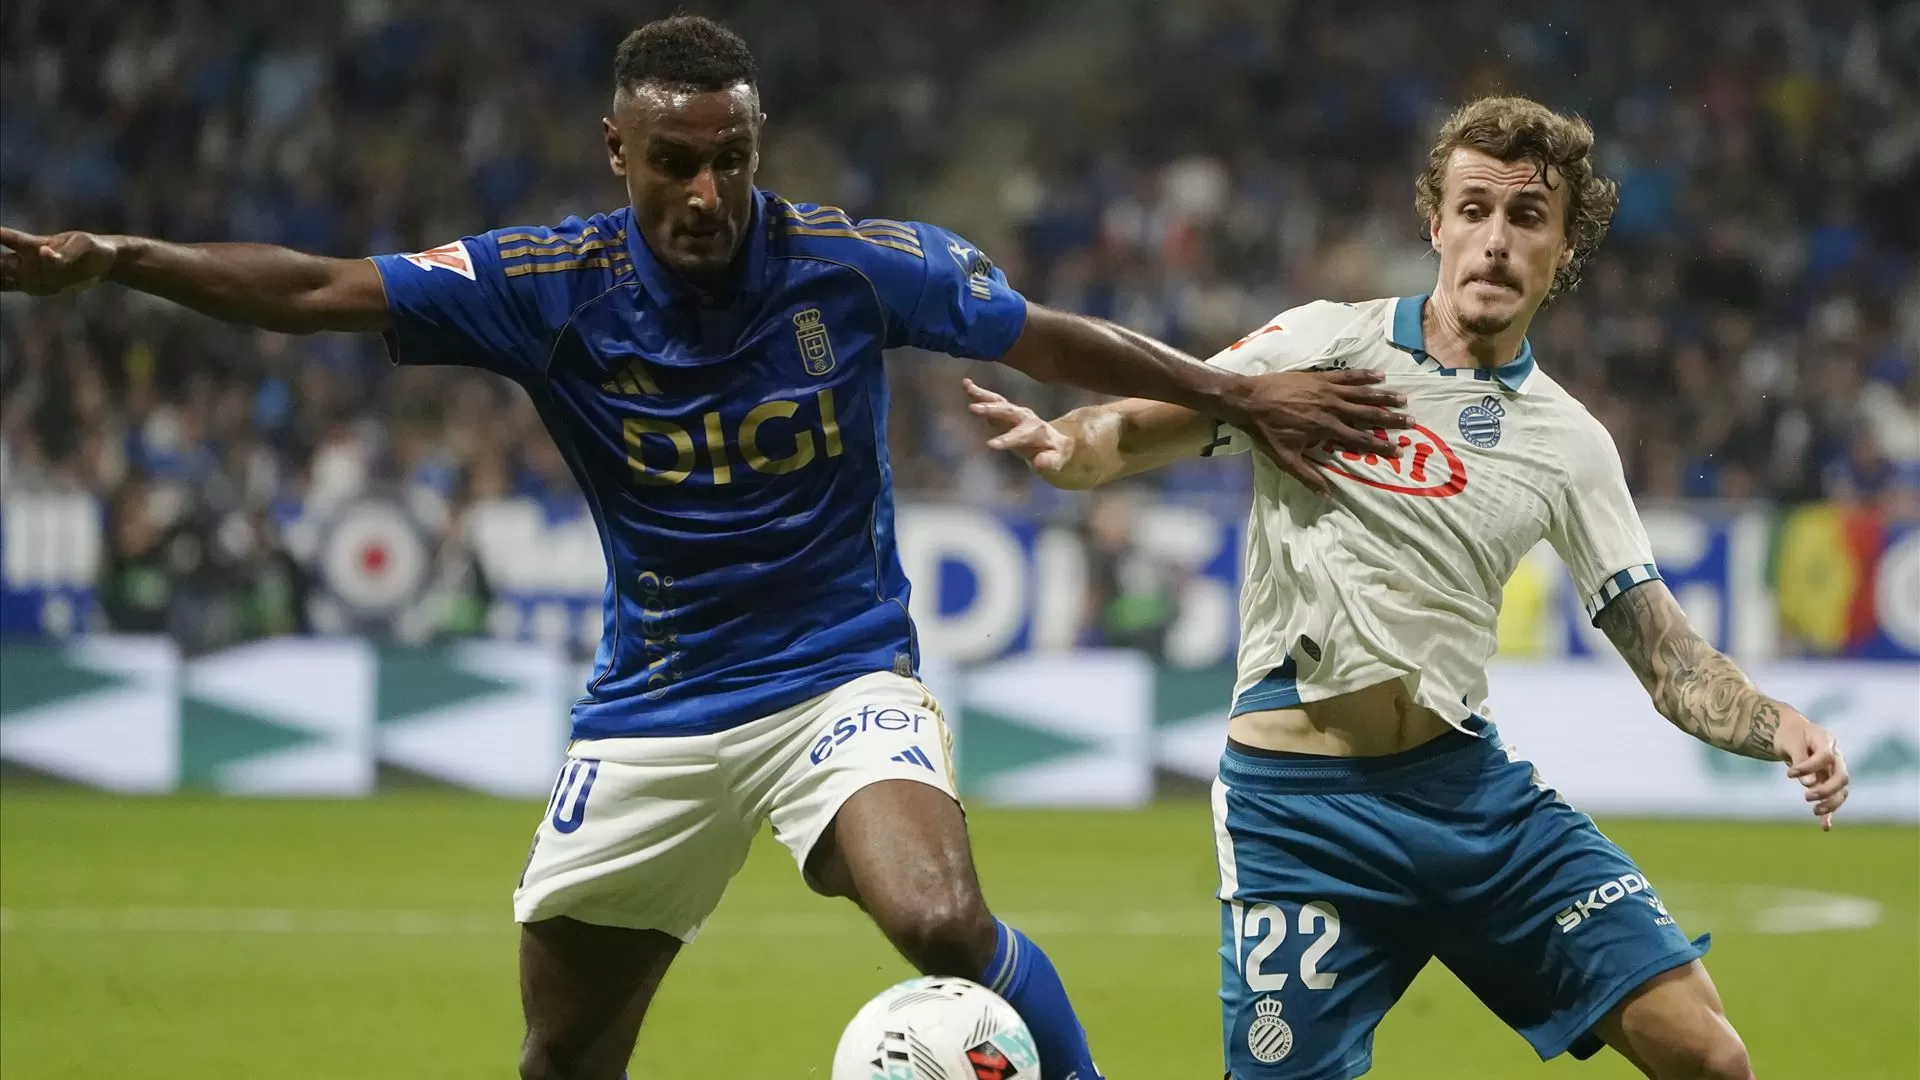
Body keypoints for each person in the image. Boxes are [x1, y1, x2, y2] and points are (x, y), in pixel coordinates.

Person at [0, 15, 1410, 1080]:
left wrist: (1233, 395)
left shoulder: (851, 263)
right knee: (565, 1056)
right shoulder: (542, 283)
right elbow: (316, 289)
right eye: (674, 163)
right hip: (656, 706)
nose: (705, 193)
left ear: (757, 148)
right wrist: (121, 259)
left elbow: (1042, 335)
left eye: (730, 161)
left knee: (939, 920)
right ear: (618, 152)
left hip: (840, 674)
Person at [966, 95, 1849, 1080]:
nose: (1496, 239)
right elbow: (1134, 429)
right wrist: (1066, 444)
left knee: (1710, 1058)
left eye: (1527, 216)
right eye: (1474, 209)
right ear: (1435, 224)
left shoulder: (1569, 442)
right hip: (1299, 817)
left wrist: (1776, 724)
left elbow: (1664, 653)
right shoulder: (1324, 346)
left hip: (1468, 797)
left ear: (1564, 248)